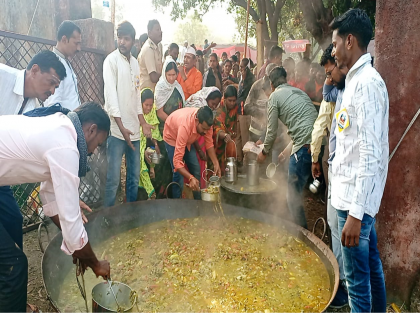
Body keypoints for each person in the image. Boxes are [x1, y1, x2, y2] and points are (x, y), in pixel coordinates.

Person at [0, 102, 111, 312]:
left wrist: (78, 250)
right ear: (91, 129)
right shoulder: (66, 147)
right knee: (13, 265)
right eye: (98, 143)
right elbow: (71, 220)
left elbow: (50, 200)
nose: (94, 150)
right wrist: (96, 263)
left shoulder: (62, 129)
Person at [330, 8, 388, 313]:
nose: (333, 50)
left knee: (356, 283)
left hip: (354, 201)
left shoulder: (366, 84)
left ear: (350, 41)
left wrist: (355, 215)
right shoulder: (354, 81)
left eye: (336, 43)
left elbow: (370, 155)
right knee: (372, 267)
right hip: (352, 196)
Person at [310, 43, 349, 309]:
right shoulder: (336, 90)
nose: (328, 77)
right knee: (335, 226)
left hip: (347, 172)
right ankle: (341, 283)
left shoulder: (356, 88)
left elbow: (321, 123)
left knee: (346, 229)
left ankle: (346, 286)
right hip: (335, 165)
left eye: (329, 70)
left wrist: (315, 157)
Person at [257, 67, 318, 229]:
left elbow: (271, 132)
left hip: (304, 148)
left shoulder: (274, 97)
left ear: (271, 84)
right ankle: (297, 227)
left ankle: (301, 235)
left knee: (292, 196)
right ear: (286, 79)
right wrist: (286, 151)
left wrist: (264, 153)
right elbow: (306, 129)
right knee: (295, 193)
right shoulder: (298, 92)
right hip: (317, 144)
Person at [103, 21, 153, 207]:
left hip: (134, 131)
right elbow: (111, 96)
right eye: (119, 38)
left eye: (126, 38)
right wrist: (121, 127)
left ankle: (130, 216)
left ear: (133, 41)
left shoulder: (134, 63)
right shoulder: (111, 61)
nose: (122, 42)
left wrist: (143, 123)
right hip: (117, 131)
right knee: (113, 180)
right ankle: (107, 218)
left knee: (133, 177)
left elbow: (136, 97)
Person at [163, 106, 221, 199]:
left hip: (187, 139)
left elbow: (209, 144)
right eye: (203, 129)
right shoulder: (185, 127)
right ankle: (176, 206)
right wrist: (190, 178)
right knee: (178, 176)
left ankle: (198, 203)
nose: (205, 132)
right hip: (172, 136)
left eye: (207, 129)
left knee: (196, 169)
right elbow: (177, 162)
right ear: (197, 120)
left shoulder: (207, 123)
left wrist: (215, 163)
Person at [0, 50, 66, 116]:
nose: (53, 91)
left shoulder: (35, 108)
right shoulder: (2, 76)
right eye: (51, 82)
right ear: (35, 70)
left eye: (56, 87)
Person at [184, 87, 223, 187]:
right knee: (191, 166)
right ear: (206, 99)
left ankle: (198, 190)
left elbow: (209, 140)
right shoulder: (198, 107)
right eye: (212, 103)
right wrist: (200, 151)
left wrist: (215, 163)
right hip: (186, 136)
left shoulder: (208, 115)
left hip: (198, 137)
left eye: (216, 105)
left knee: (198, 168)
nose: (214, 107)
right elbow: (193, 133)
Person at [44, 21, 81, 110]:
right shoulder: (54, 64)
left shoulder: (65, 61)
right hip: (63, 121)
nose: (79, 48)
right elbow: (53, 105)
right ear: (64, 39)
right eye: (76, 43)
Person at [138, 89, 163, 200]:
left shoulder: (152, 113)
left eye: (150, 105)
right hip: (138, 146)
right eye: (146, 105)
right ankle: (144, 194)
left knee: (156, 154)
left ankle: (153, 176)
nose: (148, 108)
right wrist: (143, 151)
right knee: (141, 159)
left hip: (149, 145)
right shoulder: (137, 115)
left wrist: (156, 144)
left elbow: (155, 133)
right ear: (141, 103)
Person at [244, 63, 277, 143]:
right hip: (255, 129)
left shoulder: (276, 85)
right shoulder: (256, 86)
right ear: (266, 74)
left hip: (268, 131)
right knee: (253, 152)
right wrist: (262, 114)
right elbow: (247, 106)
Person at [211, 85, 238, 172]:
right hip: (218, 144)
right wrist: (225, 135)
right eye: (230, 100)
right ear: (225, 99)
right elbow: (217, 128)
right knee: (216, 167)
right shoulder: (220, 108)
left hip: (231, 142)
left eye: (234, 101)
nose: (232, 103)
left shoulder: (236, 108)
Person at [236, 58, 256, 162]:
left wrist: (243, 80)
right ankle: (239, 159)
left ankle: (246, 162)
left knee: (245, 139)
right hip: (239, 111)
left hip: (245, 113)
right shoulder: (242, 78)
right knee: (238, 137)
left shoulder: (250, 80)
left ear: (247, 69)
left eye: (242, 67)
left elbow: (243, 94)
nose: (240, 69)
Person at [138, 19, 163, 91]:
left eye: (160, 29)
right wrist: (167, 74)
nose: (160, 32)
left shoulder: (159, 46)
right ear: (150, 33)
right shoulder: (148, 49)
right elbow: (154, 78)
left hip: (156, 90)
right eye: (157, 30)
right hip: (147, 93)